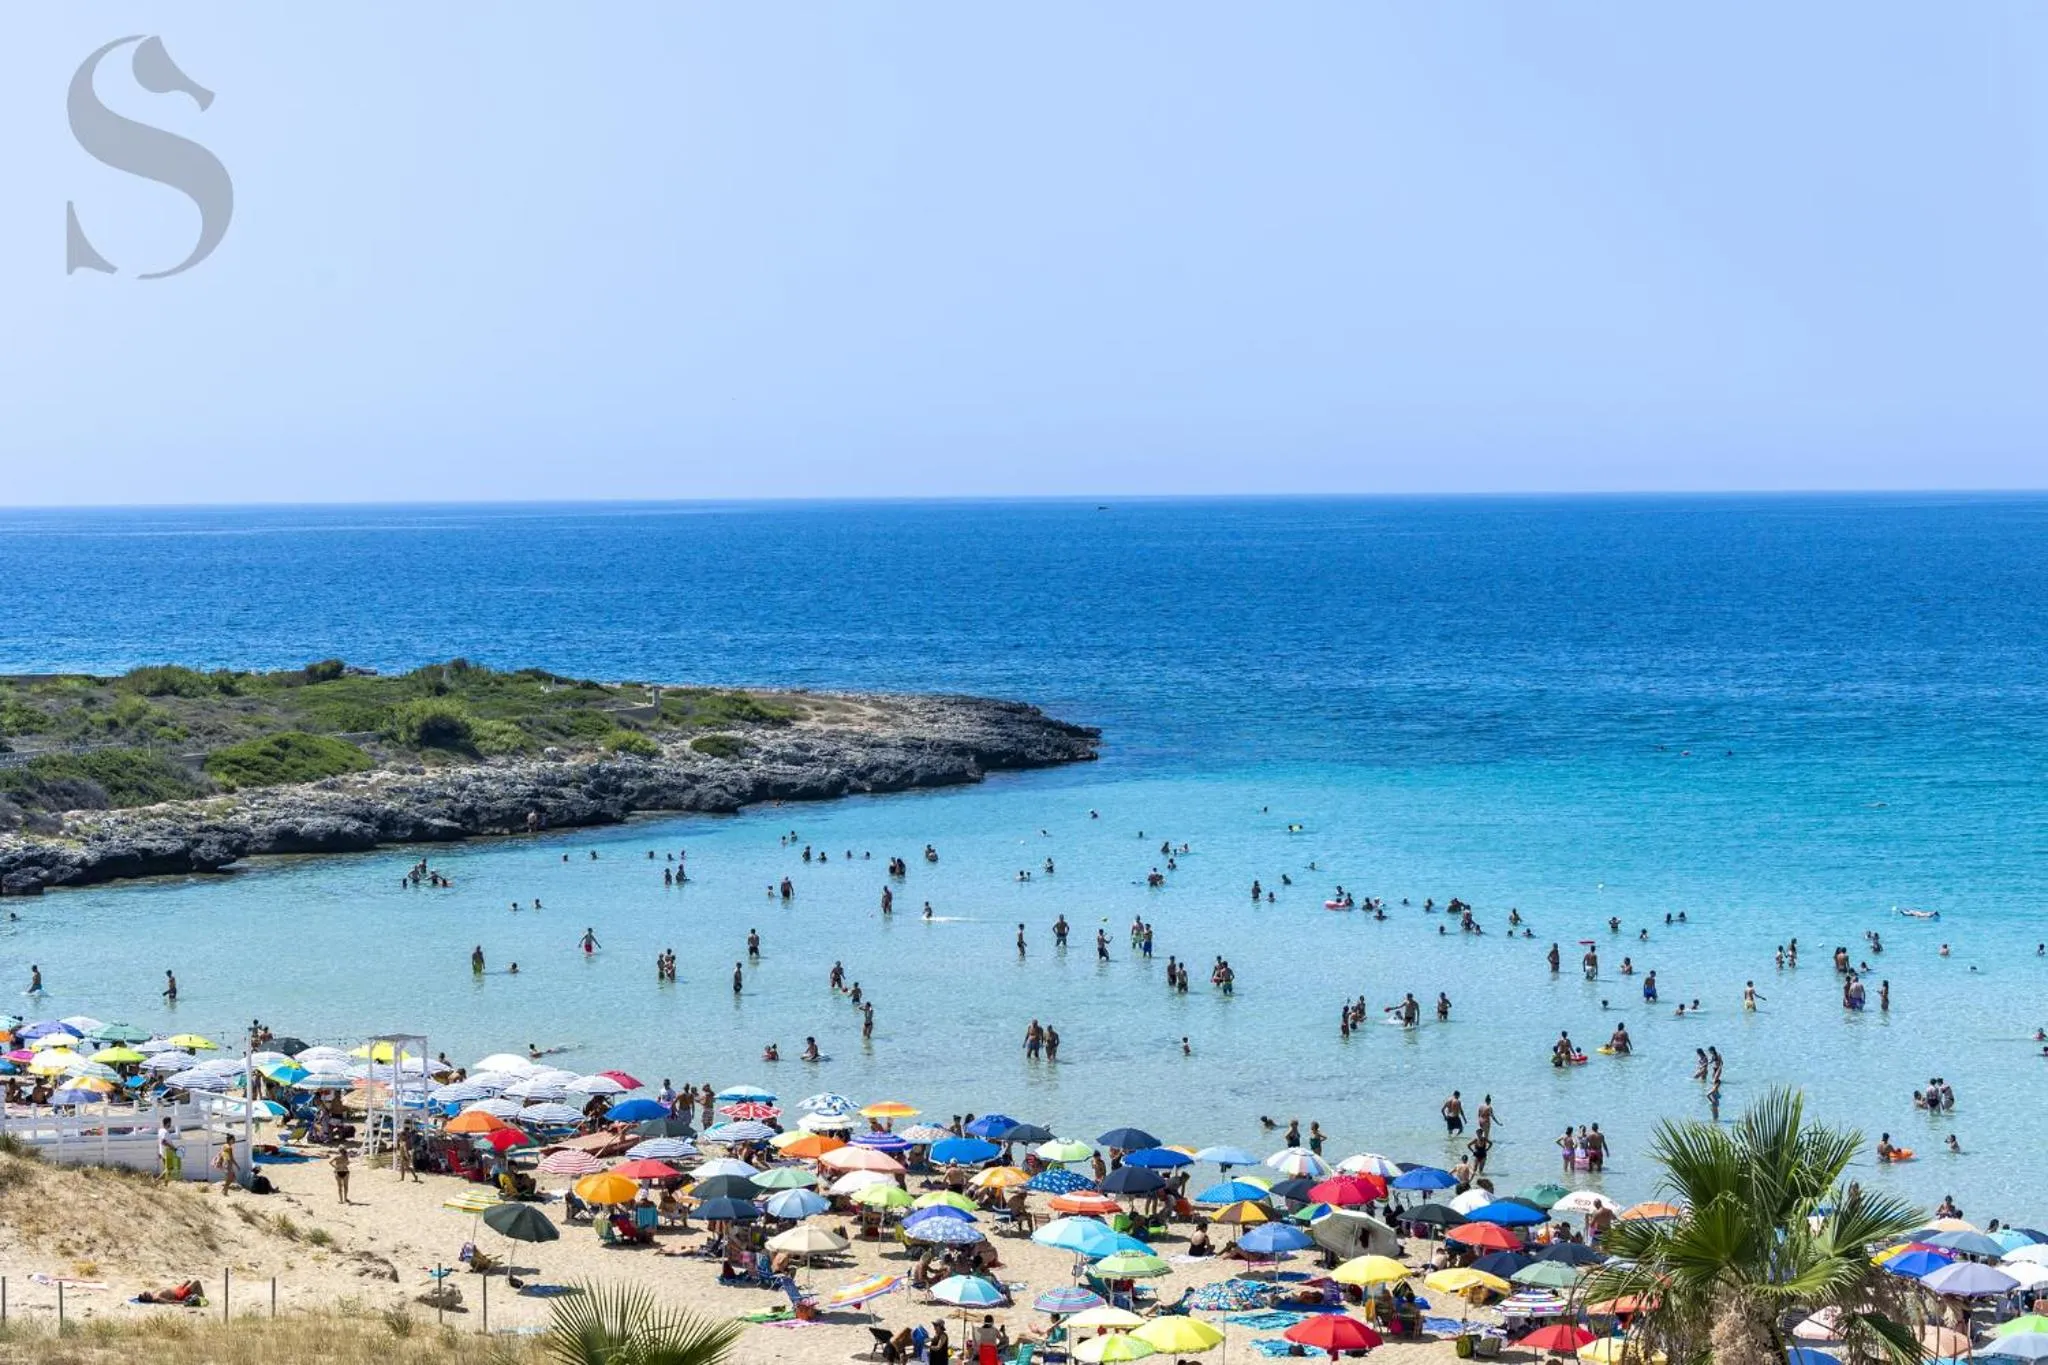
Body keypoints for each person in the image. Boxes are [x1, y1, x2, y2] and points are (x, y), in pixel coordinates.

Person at [157, 1117, 182, 1183]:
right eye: (170, 1123)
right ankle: (157, 1180)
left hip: (163, 1152)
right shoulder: (165, 1132)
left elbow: (160, 1142)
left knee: (167, 1169)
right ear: (167, 1123)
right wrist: (174, 1148)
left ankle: (165, 1184)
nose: (170, 1124)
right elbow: (163, 1142)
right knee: (169, 1169)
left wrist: (159, 1152)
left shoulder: (160, 1130)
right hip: (167, 1152)